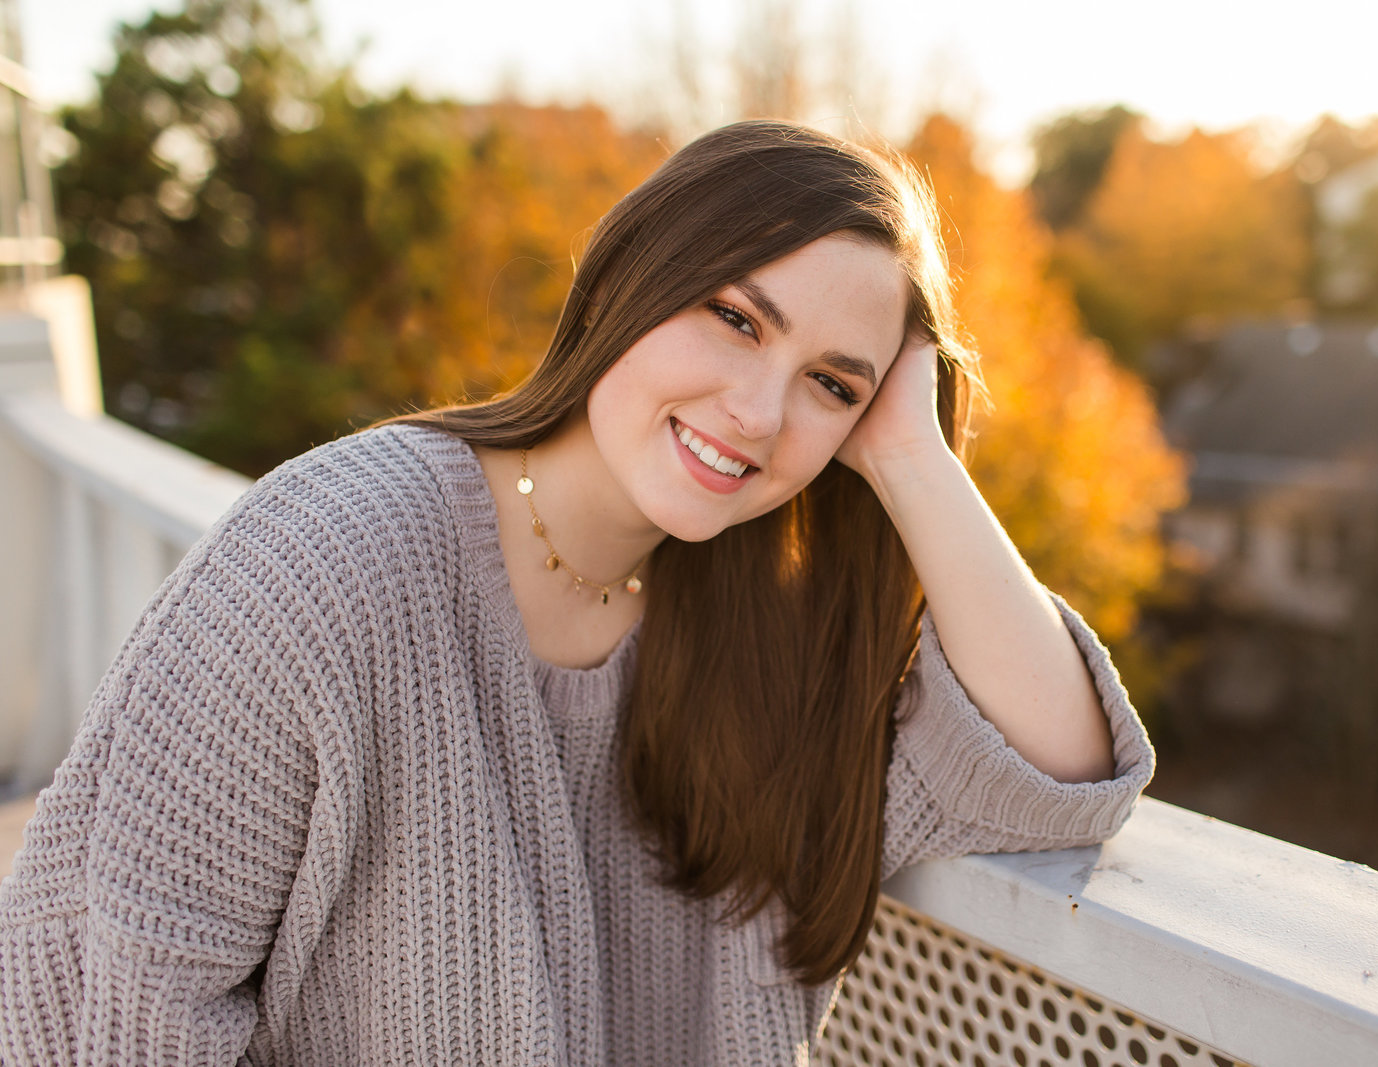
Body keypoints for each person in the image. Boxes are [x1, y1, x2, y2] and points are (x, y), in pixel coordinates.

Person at [0, 120, 1154, 1065]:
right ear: (622, 279)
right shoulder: (336, 554)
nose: (758, 410)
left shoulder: (763, 630)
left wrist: (913, 454)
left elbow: (1054, 767)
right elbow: (121, 1002)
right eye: (736, 317)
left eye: (830, 384)